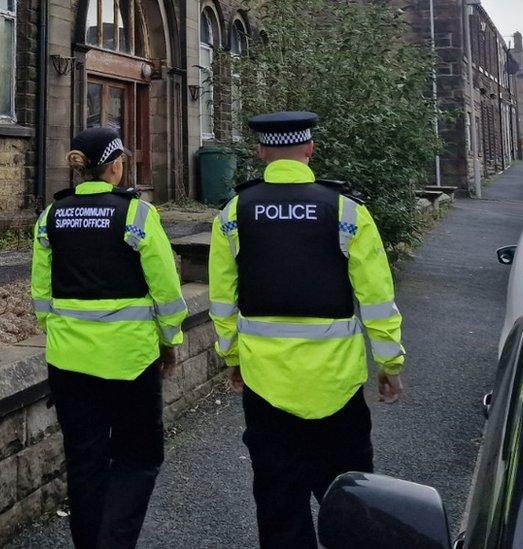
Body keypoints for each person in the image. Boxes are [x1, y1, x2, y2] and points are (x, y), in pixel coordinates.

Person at [208, 111, 407, 548]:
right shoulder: (347, 211)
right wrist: (388, 362)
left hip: (266, 388)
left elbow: (222, 301)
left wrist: (233, 358)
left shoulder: (233, 214)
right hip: (336, 387)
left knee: (279, 508)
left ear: (261, 152)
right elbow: (376, 298)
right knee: (351, 504)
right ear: (310, 149)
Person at [31, 127, 187, 549]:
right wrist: (169, 341)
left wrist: (64, 337)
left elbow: (41, 297)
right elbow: (167, 293)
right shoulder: (137, 215)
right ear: (116, 167)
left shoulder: (52, 217)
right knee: (138, 457)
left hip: (68, 366)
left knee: (85, 462)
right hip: (130, 363)